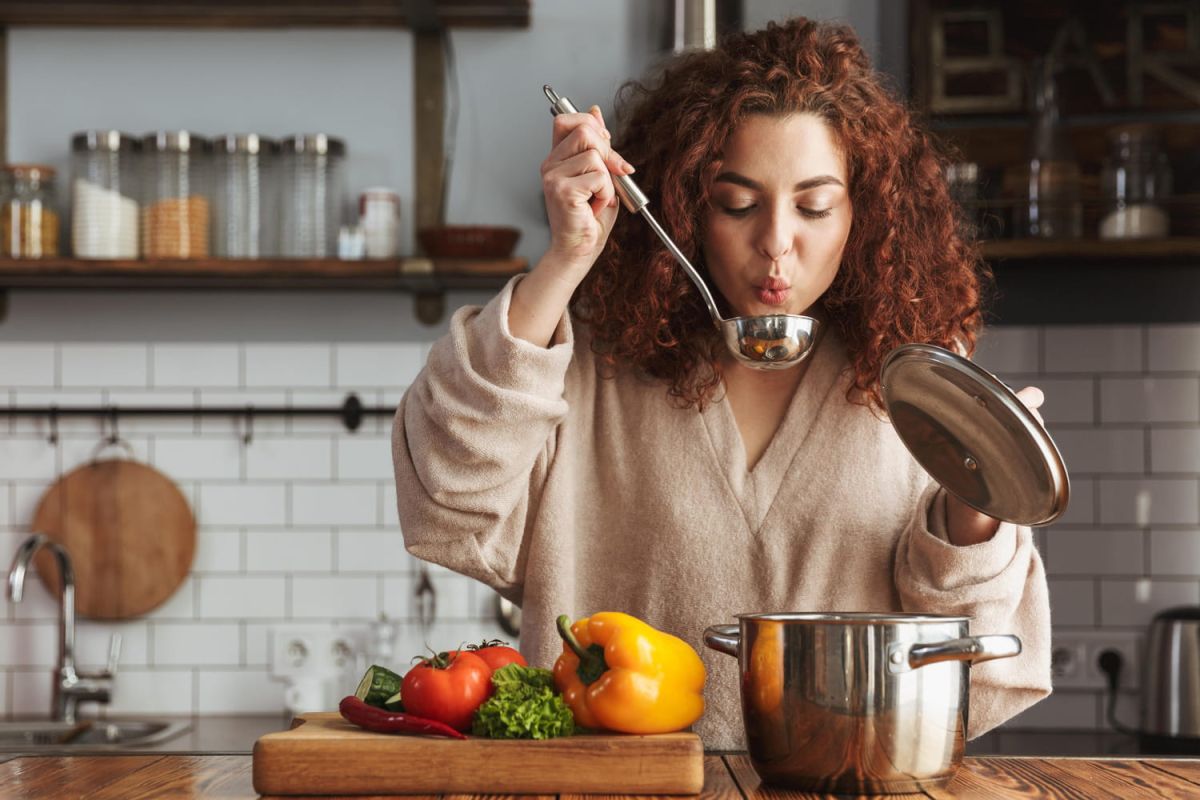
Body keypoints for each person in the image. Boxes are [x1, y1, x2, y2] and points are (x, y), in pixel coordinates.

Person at [392, 16, 1050, 749]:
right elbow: (449, 498)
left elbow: (976, 656)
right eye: (737, 203)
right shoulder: (588, 368)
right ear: (685, 208)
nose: (776, 241)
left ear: (863, 215)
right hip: (613, 794)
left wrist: (978, 503)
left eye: (814, 206)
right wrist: (566, 260)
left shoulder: (922, 384)